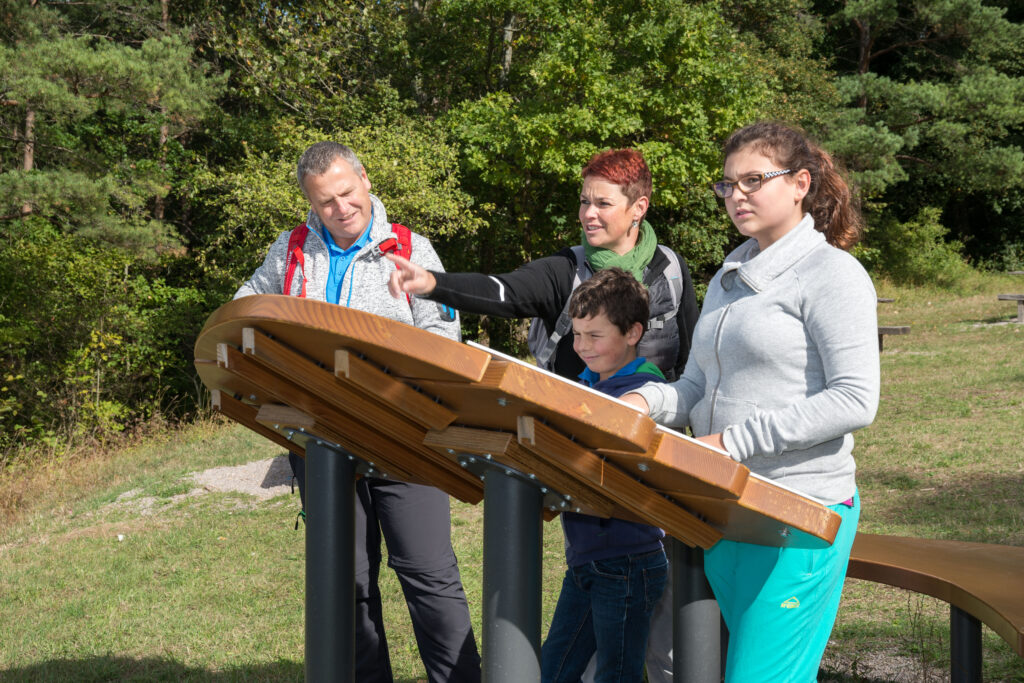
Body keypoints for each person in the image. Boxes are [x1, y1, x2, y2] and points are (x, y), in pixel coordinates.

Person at [386, 147, 699, 681]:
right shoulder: (564, 271)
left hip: (659, 477)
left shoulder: (670, 269)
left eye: (603, 203)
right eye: (583, 202)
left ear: (638, 207)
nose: (588, 214)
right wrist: (435, 284)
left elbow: (691, 365)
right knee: (597, 643)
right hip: (588, 486)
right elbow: (504, 292)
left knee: (668, 645)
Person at [621, 121, 881, 682]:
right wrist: (641, 402)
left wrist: (732, 444)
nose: (737, 195)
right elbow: (694, 386)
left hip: (800, 513)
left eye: (753, 180)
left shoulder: (834, 274)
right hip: (725, 510)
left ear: (800, 183)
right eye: (728, 184)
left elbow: (856, 399)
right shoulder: (729, 275)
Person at [234, 141, 481, 683]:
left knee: (428, 576)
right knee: (349, 582)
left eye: (347, 192)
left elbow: (444, 341)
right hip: (319, 442)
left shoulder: (413, 249)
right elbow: (247, 302)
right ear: (310, 203)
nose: (341, 208)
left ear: (365, 180)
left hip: (405, 440)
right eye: (326, 202)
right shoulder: (291, 249)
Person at [541, 267, 670, 683]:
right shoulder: (589, 385)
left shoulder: (644, 393)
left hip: (629, 562)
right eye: (576, 335)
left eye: (594, 336)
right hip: (585, 560)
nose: (581, 346)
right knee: (554, 669)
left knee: (616, 674)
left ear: (632, 333)